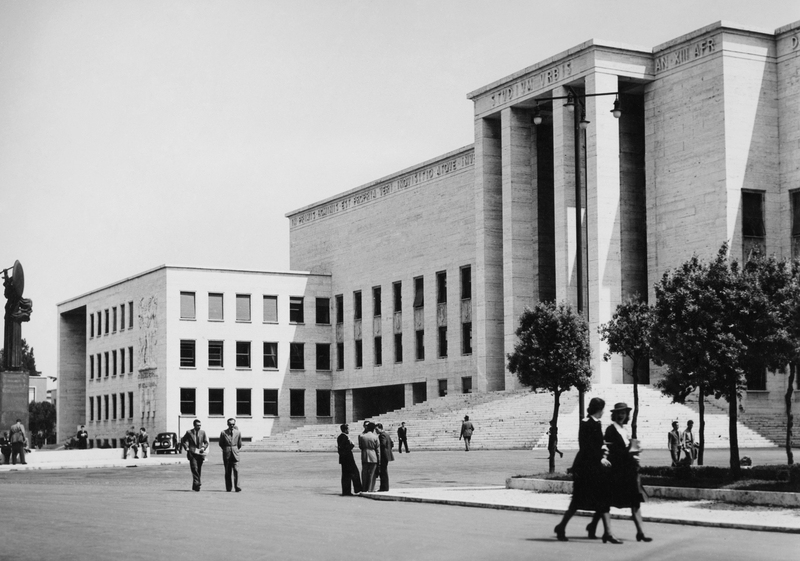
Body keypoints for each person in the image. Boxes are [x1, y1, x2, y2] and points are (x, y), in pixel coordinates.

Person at [554, 397, 616, 543]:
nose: (603, 412)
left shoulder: (597, 423)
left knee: (602, 498)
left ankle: (593, 526)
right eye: (602, 409)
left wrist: (604, 450)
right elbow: (585, 446)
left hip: (595, 467)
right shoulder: (586, 423)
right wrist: (600, 458)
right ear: (599, 409)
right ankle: (561, 527)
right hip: (585, 468)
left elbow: (598, 443)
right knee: (578, 501)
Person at [605, 402, 652, 543]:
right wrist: (630, 451)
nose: (621, 416)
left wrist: (635, 450)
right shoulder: (610, 430)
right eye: (619, 413)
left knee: (635, 502)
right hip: (617, 472)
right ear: (614, 415)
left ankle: (640, 532)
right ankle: (606, 532)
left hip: (629, 472)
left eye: (623, 413)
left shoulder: (624, 430)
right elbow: (613, 452)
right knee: (607, 502)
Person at [181, 419, 209, 491]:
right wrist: (186, 447)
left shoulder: (203, 432)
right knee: (194, 468)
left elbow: (206, 442)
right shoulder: (189, 432)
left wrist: (203, 447)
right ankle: (197, 482)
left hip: (200, 453)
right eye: (197, 425)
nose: (199, 427)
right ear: (194, 425)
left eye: (200, 425)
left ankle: (196, 486)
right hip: (192, 453)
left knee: (198, 469)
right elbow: (183, 440)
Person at [337, 424, 362, 496]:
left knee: (346, 475)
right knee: (354, 473)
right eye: (348, 429)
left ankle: (346, 491)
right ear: (345, 430)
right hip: (348, 459)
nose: (349, 431)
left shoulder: (341, 437)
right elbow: (345, 448)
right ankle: (357, 489)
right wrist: (352, 445)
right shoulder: (344, 437)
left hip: (344, 459)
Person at [219, 418, 242, 492]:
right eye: (230, 424)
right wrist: (226, 449)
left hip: (235, 453)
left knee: (236, 470)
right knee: (228, 471)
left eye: (233, 424)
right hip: (227, 453)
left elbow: (239, 444)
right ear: (227, 424)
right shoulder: (223, 433)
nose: (232, 426)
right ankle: (229, 487)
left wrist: (235, 449)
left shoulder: (238, 433)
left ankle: (237, 486)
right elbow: (221, 443)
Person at [358, 422, 380, 492]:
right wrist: (379, 459)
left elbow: (360, 446)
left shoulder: (362, 436)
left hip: (364, 455)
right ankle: (370, 488)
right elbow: (378, 449)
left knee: (364, 473)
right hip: (373, 456)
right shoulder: (375, 437)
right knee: (372, 473)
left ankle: (364, 487)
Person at [375, 423, 395, 492]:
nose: (376, 431)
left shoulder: (382, 435)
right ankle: (385, 487)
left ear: (380, 428)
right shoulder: (387, 434)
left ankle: (383, 487)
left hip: (384, 455)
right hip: (387, 454)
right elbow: (392, 444)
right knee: (384, 471)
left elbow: (383, 444)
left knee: (383, 472)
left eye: (377, 429)